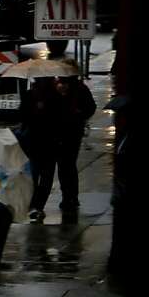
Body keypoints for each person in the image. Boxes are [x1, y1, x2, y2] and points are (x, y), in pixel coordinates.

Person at [26, 74, 97, 222]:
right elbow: (87, 109)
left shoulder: (45, 93)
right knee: (66, 168)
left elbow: (28, 117)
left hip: (48, 140)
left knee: (47, 174)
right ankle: (69, 199)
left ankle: (38, 205)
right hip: (67, 137)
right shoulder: (67, 91)